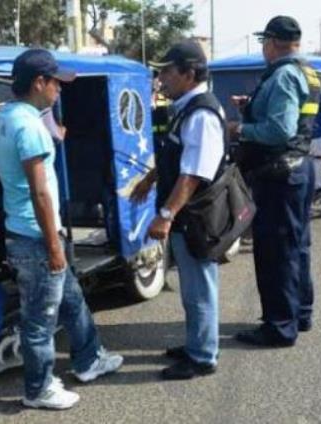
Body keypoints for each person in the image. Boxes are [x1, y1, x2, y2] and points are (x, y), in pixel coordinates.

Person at [0, 49, 123, 410]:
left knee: (72, 300)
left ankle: (89, 359)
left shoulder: (6, 115)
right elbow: (40, 191)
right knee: (39, 319)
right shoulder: (28, 125)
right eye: (56, 84)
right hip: (36, 237)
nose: (60, 91)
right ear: (39, 83)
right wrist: (53, 245)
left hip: (32, 232)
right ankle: (38, 388)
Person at [132, 40, 226, 380]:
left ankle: (203, 357)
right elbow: (178, 156)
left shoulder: (200, 114)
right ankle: (196, 344)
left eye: (167, 72)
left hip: (194, 218)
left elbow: (193, 173)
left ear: (188, 73)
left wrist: (166, 215)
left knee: (199, 288)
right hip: (187, 216)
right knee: (191, 287)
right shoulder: (187, 109)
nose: (161, 79)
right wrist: (150, 179)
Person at [226, 16, 321, 347]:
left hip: (279, 173)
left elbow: (279, 130)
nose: (262, 49)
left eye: (263, 42)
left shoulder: (282, 76)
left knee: (276, 251)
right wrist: (250, 108)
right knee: (297, 246)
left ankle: (279, 327)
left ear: (272, 42)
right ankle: (300, 313)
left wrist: (240, 128)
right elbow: (291, 122)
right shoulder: (306, 71)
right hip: (299, 167)